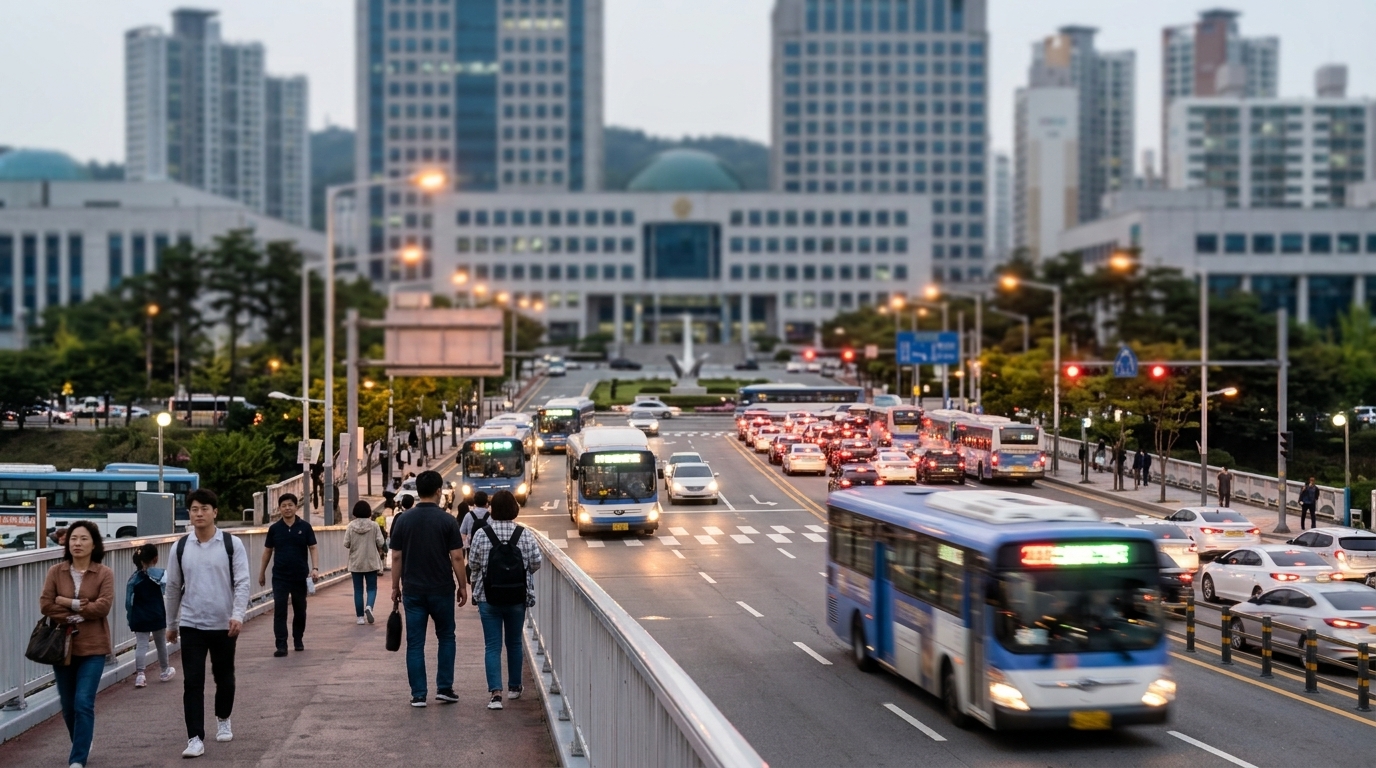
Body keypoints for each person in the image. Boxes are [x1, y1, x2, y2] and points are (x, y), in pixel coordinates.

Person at [166, 488, 251, 759]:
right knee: (192, 681)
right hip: (191, 623)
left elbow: (242, 582)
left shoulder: (231, 544)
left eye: (204, 508)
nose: (199, 513)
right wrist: (171, 622)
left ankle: (223, 718)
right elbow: (173, 586)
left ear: (215, 512)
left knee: (224, 675)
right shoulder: (180, 547)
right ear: (189, 514)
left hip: (224, 623)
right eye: (194, 509)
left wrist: (238, 614)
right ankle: (194, 737)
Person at [390, 470, 467, 707]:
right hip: (441, 588)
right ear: (438, 492)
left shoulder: (403, 519)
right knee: (446, 637)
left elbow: (396, 557)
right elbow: (456, 556)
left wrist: (395, 587)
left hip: (412, 589)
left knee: (415, 643)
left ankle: (418, 694)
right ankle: (444, 688)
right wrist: (462, 586)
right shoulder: (447, 520)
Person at [40, 520, 114, 768]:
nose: (77, 543)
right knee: (68, 705)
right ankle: (82, 741)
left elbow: (103, 606)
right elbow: (47, 605)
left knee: (83, 701)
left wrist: (68, 603)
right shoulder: (55, 572)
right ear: (66, 542)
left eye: (83, 539)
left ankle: (77, 759)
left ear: (94, 544)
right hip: (63, 647)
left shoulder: (104, 573)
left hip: (93, 646)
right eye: (73, 538)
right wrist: (80, 611)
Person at [468, 490, 541, 710]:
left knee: (492, 645)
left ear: (493, 510)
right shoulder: (524, 534)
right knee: (514, 642)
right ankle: (515, 687)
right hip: (516, 596)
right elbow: (536, 562)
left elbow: (473, 564)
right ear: (514, 509)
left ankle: (496, 694)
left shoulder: (482, 534)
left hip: (487, 597)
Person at [259, 493, 318, 657]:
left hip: (300, 575)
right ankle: (281, 645)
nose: (287, 508)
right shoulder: (275, 529)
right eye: (283, 505)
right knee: (280, 610)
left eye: (290, 505)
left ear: (296, 507)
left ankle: (298, 639)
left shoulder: (305, 527)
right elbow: (267, 551)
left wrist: (315, 568)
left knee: (300, 610)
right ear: (279, 509)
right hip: (280, 576)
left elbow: (313, 547)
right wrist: (262, 572)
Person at [127, 543, 175, 688]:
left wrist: (131, 618)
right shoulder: (161, 574)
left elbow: (128, 602)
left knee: (141, 645)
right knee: (161, 644)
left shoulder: (133, 579)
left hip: (139, 616)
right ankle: (165, 670)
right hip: (157, 614)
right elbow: (170, 589)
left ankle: (140, 675)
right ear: (156, 558)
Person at [346, 500, 387, 624]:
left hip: (356, 562)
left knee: (358, 590)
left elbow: (346, 543)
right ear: (369, 512)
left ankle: (359, 618)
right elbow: (381, 542)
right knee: (372, 588)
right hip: (371, 561)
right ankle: (369, 606)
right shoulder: (374, 526)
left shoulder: (351, 526)